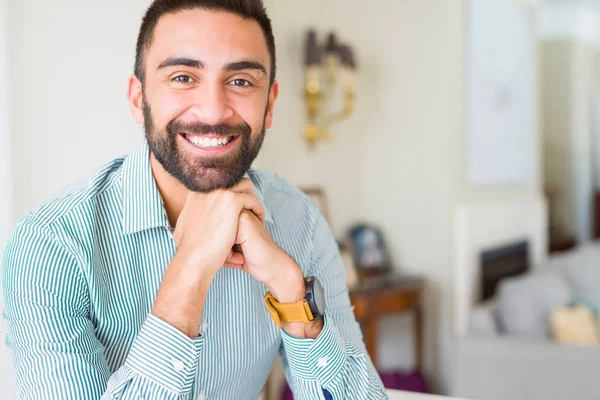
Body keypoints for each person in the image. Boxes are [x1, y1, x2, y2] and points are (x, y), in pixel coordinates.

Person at [1, 0, 387, 399]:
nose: (213, 110)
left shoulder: (299, 221)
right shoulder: (49, 246)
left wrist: (293, 298)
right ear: (139, 98)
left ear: (269, 105)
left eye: (240, 81)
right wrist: (189, 271)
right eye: (183, 77)